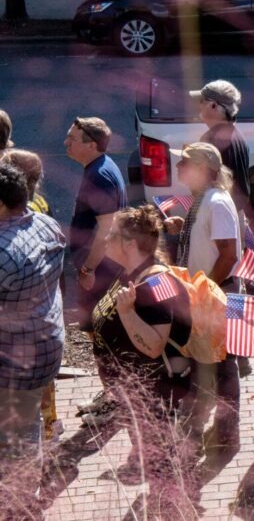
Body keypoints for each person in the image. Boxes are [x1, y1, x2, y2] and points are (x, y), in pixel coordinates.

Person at [91, 205, 193, 507]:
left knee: (161, 465)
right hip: (134, 395)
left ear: (130, 244)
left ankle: (168, 507)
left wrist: (125, 313)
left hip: (154, 395)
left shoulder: (158, 284)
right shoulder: (130, 274)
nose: (106, 239)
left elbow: (153, 346)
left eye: (112, 236)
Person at [162, 142, 242, 455]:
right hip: (210, 294)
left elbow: (229, 253)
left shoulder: (217, 201)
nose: (179, 168)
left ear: (203, 169)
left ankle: (227, 435)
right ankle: (210, 428)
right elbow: (211, 242)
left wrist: (206, 290)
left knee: (224, 367)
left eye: (184, 163)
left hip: (220, 295)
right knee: (209, 365)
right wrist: (185, 228)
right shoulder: (204, 201)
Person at [0, 165, 65, 499]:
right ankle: (27, 491)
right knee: (28, 423)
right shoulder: (47, 226)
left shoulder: (3, 251)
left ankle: (19, 499)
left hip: (13, 360)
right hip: (46, 349)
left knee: (14, 432)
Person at [65, 116, 128, 420]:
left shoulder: (100, 176)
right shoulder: (98, 168)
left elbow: (107, 229)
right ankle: (111, 395)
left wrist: (88, 269)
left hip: (100, 273)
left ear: (91, 144)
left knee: (104, 339)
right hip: (100, 270)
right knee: (101, 338)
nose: (66, 143)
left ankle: (113, 405)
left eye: (72, 138)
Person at [191, 80, 254, 231]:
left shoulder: (211, 139)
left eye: (202, 101)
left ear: (213, 105)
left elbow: (201, 184)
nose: (198, 105)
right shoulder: (237, 135)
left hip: (218, 219)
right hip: (233, 214)